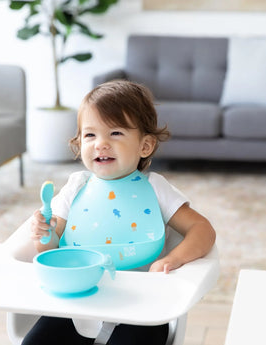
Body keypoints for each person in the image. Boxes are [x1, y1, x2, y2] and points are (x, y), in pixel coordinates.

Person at [22, 80, 216, 345]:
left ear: (145, 146)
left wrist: (174, 259)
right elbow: (51, 251)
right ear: (79, 144)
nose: (100, 144)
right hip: (77, 301)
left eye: (115, 133)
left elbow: (202, 230)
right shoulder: (75, 188)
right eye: (90, 135)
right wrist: (42, 233)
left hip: (141, 309)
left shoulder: (156, 188)